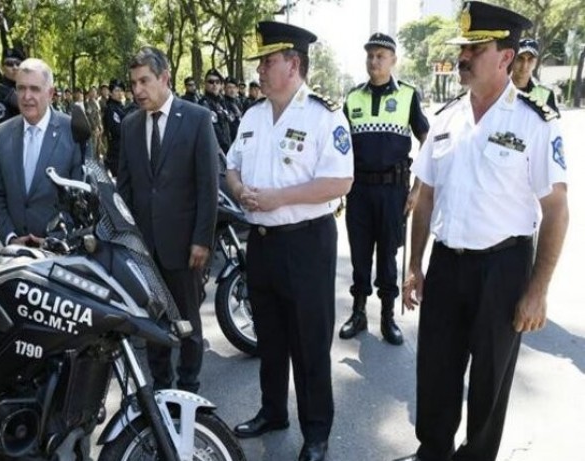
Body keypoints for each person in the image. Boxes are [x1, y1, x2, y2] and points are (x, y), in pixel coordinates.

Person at [400, 3, 568, 460]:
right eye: (464, 48)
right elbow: (425, 197)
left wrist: (538, 290)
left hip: (504, 267)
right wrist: (414, 264)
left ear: (506, 58)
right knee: (435, 370)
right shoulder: (446, 118)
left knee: (490, 381)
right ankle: (433, 451)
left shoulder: (534, 122)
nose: (464, 56)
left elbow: (556, 210)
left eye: (476, 49)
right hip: (446, 263)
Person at [225, 21, 353, 461]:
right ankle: (273, 411)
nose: (259, 69)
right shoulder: (252, 115)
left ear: (293, 64)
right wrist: (239, 189)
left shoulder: (323, 115)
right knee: (271, 337)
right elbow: (232, 166)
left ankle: (316, 433)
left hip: (306, 244)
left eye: (268, 61)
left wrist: (280, 197)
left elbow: (340, 181)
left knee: (309, 342)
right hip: (262, 243)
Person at [117, 46, 219, 394]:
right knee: (154, 323)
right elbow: (125, 188)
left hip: (185, 245)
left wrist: (202, 239)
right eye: (133, 83)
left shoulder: (196, 118)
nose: (137, 90)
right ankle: (161, 389)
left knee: (187, 322)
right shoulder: (130, 125)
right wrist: (127, 241)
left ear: (164, 78)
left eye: (144, 81)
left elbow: (208, 185)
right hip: (144, 248)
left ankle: (189, 388)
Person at [339, 33, 429, 346]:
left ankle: (387, 316)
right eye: (370, 55)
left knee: (388, 256)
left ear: (393, 60)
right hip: (359, 191)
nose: (374, 61)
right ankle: (359, 312)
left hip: (393, 192)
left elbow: (427, 140)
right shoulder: (353, 97)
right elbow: (338, 145)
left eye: (380, 56)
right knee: (360, 254)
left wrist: (417, 188)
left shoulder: (407, 95)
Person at [0, 58, 84, 246]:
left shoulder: (73, 131)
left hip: (60, 251)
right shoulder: (3, 133)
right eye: (21, 88)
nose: (26, 96)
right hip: (16, 250)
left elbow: (81, 200)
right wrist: (10, 237)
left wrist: (55, 240)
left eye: (34, 89)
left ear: (50, 93)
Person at [512, 38, 560, 113]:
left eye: (530, 59)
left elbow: (552, 120)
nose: (524, 65)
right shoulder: (500, 89)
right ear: (511, 60)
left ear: (535, 62)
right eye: (520, 59)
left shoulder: (545, 94)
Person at [0, 47, 25, 136]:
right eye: (10, 64)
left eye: (18, 64)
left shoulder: (25, 90)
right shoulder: (0, 93)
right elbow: (1, 130)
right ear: (2, 68)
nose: (15, 67)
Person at [198, 68, 232, 155]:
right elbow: (212, 132)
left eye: (217, 82)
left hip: (226, 150)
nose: (214, 84)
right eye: (211, 82)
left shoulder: (222, 103)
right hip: (213, 152)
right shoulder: (203, 104)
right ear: (205, 84)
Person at [101, 79, 126, 176]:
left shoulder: (121, 107)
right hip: (116, 151)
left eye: (121, 90)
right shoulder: (111, 109)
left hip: (123, 149)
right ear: (110, 93)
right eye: (117, 90)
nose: (120, 93)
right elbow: (117, 130)